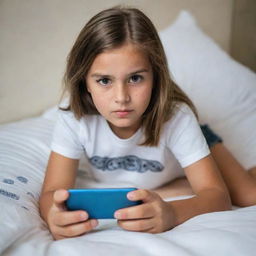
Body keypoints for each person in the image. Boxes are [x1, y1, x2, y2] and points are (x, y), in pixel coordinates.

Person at [39, 6, 251, 241]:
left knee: (248, 194)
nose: (121, 97)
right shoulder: (73, 120)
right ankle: (180, 184)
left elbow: (218, 198)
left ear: (155, 77)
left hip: (196, 139)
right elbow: (51, 192)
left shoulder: (178, 118)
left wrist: (171, 212)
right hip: (164, 174)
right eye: (104, 80)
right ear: (84, 82)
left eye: (135, 78)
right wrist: (53, 214)